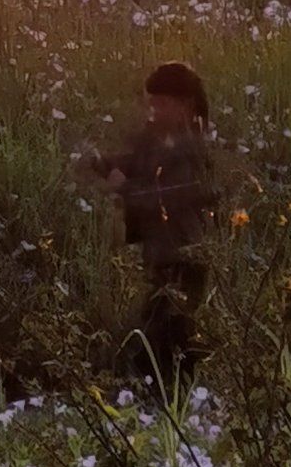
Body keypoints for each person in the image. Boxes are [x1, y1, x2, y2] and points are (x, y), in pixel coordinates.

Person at [88, 61, 217, 385]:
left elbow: (167, 198)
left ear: (184, 104)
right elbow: (136, 164)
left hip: (184, 256)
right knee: (165, 339)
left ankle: (172, 407)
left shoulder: (192, 148)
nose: (154, 110)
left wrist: (123, 187)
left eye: (161, 103)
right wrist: (104, 164)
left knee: (168, 338)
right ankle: (171, 405)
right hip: (161, 254)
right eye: (152, 103)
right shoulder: (157, 137)